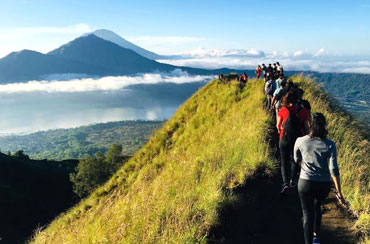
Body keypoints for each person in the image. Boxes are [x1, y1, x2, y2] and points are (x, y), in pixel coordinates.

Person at [294, 113, 345, 244]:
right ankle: (316, 236)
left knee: (307, 214)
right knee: (317, 206)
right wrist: (339, 192)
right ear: (324, 126)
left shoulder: (300, 141)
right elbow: (334, 169)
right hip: (323, 184)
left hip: (305, 182)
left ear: (309, 124)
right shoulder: (330, 144)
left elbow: (296, 159)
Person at [277, 92, 310, 194]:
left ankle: (285, 183)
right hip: (298, 140)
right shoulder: (304, 111)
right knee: (295, 160)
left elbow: (278, 126)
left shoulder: (283, 110)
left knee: (284, 161)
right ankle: (292, 181)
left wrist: (281, 133)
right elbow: (307, 128)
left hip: (284, 139)